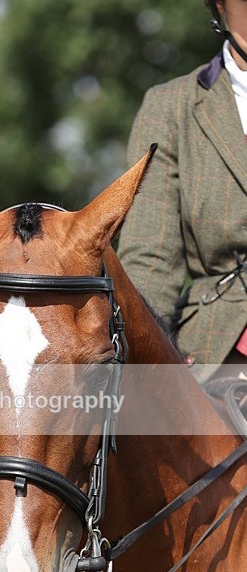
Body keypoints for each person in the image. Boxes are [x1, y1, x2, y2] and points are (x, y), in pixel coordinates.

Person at [117, 0, 247, 383]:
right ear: (220, 5)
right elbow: (150, 259)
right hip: (223, 345)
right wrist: (144, 357)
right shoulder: (170, 109)